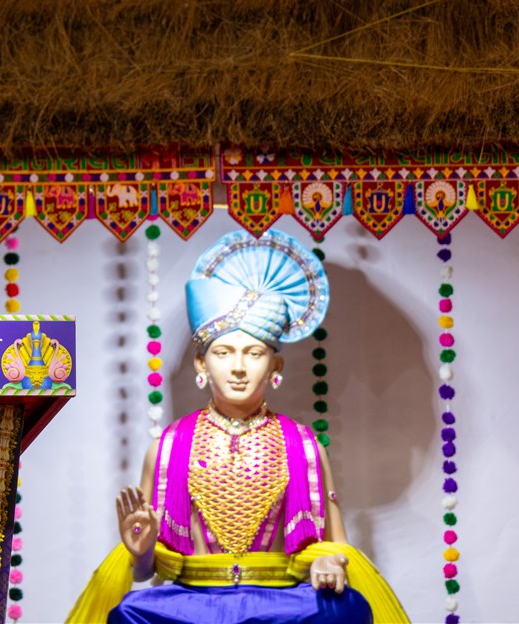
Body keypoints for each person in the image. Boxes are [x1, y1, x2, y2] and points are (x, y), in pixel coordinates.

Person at [67, 229, 408, 624]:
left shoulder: (301, 444)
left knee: (343, 609)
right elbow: (147, 572)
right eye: (224, 352)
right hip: (192, 602)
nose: (239, 367)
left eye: (254, 353)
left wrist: (328, 563)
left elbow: (338, 547)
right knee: (130, 612)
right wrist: (141, 552)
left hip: (278, 600)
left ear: (275, 365)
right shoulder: (169, 446)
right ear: (201, 363)